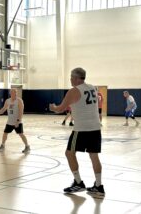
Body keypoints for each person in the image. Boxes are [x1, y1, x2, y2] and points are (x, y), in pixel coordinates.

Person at [49, 67, 105, 196]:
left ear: (76, 78)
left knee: (69, 153)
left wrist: (52, 107)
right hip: (95, 127)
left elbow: (60, 109)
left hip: (81, 129)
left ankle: (78, 182)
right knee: (94, 156)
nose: (70, 79)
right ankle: (98, 185)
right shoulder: (92, 87)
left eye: (71, 77)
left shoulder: (74, 91)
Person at [0, 88, 30, 153]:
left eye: (16, 92)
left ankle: (27, 146)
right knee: (5, 133)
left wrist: (18, 121)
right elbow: (3, 109)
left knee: (21, 134)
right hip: (9, 122)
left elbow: (21, 112)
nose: (15, 94)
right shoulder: (7, 101)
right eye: (13, 92)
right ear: (10, 93)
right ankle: (2, 145)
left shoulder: (19, 101)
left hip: (17, 122)